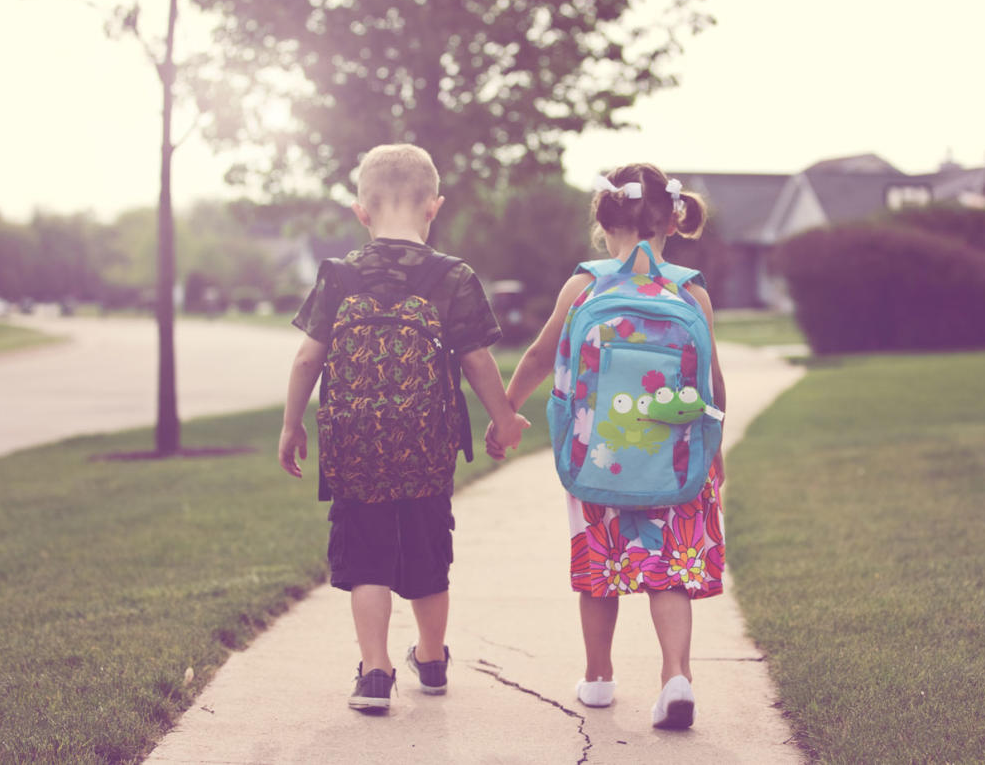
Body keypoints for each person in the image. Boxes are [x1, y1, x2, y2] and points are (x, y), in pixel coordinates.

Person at [279, 143, 529, 713]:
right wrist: (504, 419)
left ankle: (374, 672)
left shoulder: (339, 275)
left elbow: (305, 361)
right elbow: (476, 361)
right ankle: (433, 659)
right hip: (427, 448)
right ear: (433, 207)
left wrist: (293, 426)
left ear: (361, 212)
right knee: (426, 553)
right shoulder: (452, 278)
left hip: (355, 448)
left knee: (365, 557)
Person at [485, 162, 727, 730]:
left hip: (598, 456)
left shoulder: (586, 285)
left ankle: (598, 678)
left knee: (601, 570)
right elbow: (712, 381)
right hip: (675, 459)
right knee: (668, 574)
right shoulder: (690, 290)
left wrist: (507, 412)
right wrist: (713, 448)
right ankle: (676, 677)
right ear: (672, 219)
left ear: (603, 219)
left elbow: (542, 356)